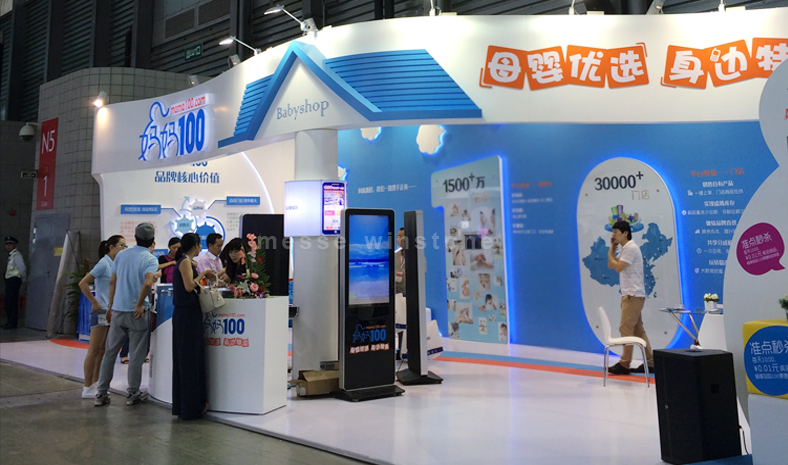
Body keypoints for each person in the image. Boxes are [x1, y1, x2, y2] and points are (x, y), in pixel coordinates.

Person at [94, 223, 159, 407]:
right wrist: (139, 304)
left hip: (118, 311)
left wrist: (110, 306)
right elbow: (148, 283)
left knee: (110, 353)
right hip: (138, 314)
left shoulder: (121, 255)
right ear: (152, 240)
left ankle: (101, 393)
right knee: (136, 356)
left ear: (135, 238)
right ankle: (132, 393)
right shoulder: (150, 259)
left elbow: (112, 282)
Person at [172, 233, 216, 419]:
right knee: (188, 359)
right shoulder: (185, 262)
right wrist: (204, 274)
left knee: (191, 358)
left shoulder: (187, 262)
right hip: (186, 315)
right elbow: (189, 286)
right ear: (196, 246)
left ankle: (191, 404)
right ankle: (190, 406)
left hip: (189, 314)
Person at [78, 235, 126, 398]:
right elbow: (83, 283)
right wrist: (94, 302)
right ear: (111, 247)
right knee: (94, 349)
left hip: (110, 311)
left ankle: (96, 383)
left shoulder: (114, 264)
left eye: (125, 246)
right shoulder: (103, 263)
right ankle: (87, 386)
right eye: (121, 245)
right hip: (100, 311)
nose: (123, 249)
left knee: (102, 350)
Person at [606, 220, 654, 375]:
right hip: (632, 294)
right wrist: (612, 250)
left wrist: (610, 254)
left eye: (616, 232)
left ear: (625, 233)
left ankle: (624, 363)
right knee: (638, 331)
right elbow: (611, 265)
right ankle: (651, 362)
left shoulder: (631, 248)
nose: (613, 235)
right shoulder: (626, 249)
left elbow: (618, 267)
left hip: (632, 295)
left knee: (625, 328)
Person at [3, 236, 26, 329]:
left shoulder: (17, 255)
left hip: (14, 280)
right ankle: (9, 322)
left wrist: (23, 280)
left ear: (15, 245)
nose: (8, 246)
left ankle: (12, 323)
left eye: (10, 244)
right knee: (8, 302)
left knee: (12, 302)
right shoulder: (12, 255)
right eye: (7, 244)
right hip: (10, 281)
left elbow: (22, 268)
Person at [394, 228, 406, 296]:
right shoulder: (395, 255)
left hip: (410, 294)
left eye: (400, 237)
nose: (397, 240)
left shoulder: (418, 258)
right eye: (397, 237)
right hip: (396, 294)